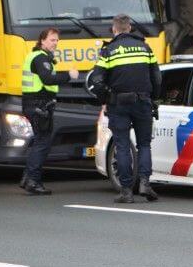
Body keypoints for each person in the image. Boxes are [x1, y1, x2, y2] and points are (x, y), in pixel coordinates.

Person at [89, 14, 162, 203]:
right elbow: (157, 76)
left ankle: (127, 191)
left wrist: (105, 98)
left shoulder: (109, 50)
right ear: (129, 28)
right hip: (143, 101)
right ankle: (145, 183)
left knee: (122, 146)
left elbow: (96, 81)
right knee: (144, 144)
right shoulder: (145, 47)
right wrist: (154, 98)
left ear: (115, 30)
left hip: (118, 104)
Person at [20, 28, 78, 195]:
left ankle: (28, 178)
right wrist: (68, 75)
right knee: (42, 143)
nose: (55, 43)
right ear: (42, 41)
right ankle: (33, 181)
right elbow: (48, 79)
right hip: (39, 105)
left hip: (36, 104)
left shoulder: (39, 57)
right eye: (52, 40)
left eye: (57, 40)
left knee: (40, 141)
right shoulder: (40, 58)